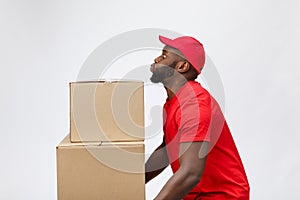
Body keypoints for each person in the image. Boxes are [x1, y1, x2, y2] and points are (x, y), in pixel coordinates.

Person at [145, 35, 250, 200]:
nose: (156, 59)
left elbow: (190, 173)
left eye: (164, 56)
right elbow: (167, 150)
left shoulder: (193, 104)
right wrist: (130, 182)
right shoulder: (175, 102)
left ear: (182, 66)